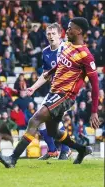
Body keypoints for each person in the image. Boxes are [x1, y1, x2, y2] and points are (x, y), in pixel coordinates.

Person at [0, 17, 100, 168]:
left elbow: (95, 85)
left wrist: (94, 111)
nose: (67, 30)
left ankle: (12, 159)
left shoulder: (86, 55)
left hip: (65, 96)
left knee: (34, 120)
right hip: (54, 93)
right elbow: (60, 65)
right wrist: (49, 73)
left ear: (79, 31)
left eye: (70, 28)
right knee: (53, 132)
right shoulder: (69, 47)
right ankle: (82, 149)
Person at [36, 23, 71, 160]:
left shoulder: (67, 48)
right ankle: (53, 150)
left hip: (66, 91)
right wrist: (34, 87)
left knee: (52, 120)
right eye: (48, 34)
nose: (50, 36)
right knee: (41, 121)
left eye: (53, 34)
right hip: (53, 91)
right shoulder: (45, 52)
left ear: (60, 34)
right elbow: (46, 74)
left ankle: (65, 149)